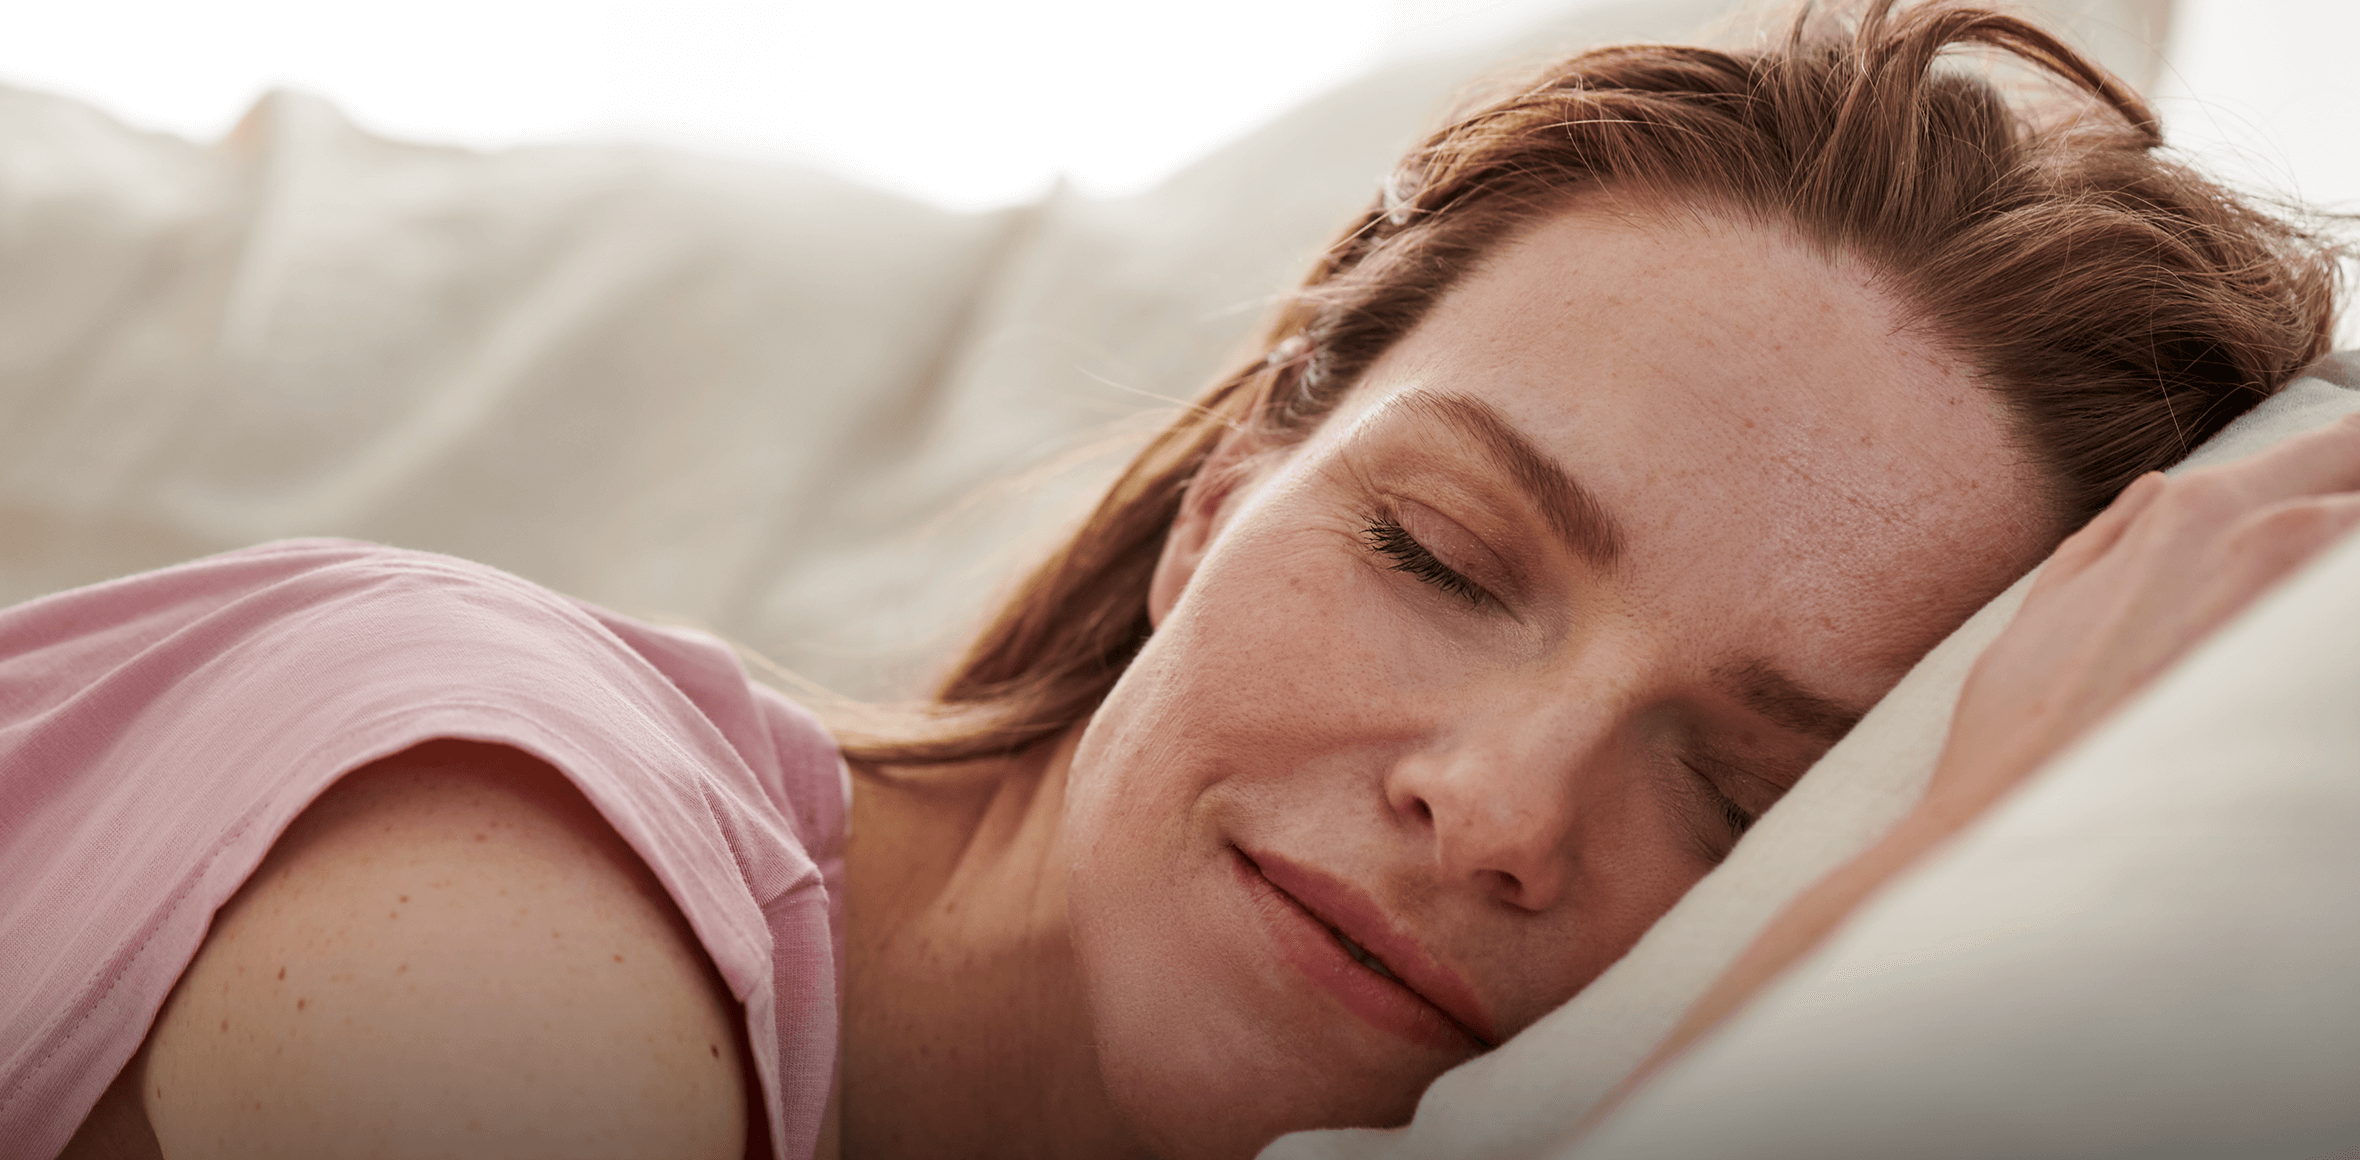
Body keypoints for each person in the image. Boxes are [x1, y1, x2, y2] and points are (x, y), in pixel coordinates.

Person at [14, 1, 2356, 1157]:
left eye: (1750, 800)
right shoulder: (490, 840)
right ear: (1234, 487)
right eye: (1441, 555)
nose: (1503, 804)